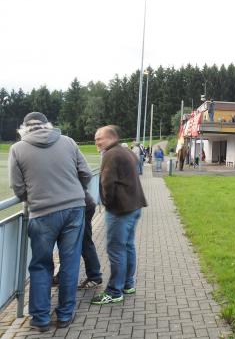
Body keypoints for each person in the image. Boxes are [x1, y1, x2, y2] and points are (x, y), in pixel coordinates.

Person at [8, 112, 91, 332]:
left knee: (41, 264)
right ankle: (64, 315)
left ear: (24, 128)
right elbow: (85, 173)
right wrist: (74, 192)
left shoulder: (17, 149)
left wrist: (33, 199)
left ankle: (41, 319)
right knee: (70, 262)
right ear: (48, 126)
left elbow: (17, 187)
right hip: (74, 208)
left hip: (42, 212)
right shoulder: (68, 141)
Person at [91, 126, 147, 305]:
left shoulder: (110, 154)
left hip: (120, 210)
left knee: (116, 250)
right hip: (134, 206)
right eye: (96, 139)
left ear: (111, 138)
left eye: (100, 138)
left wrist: (107, 204)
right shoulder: (127, 152)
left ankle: (115, 291)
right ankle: (128, 284)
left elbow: (107, 183)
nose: (97, 142)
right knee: (128, 246)